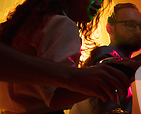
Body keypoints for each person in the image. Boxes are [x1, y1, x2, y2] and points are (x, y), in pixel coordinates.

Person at [0, 43, 129, 102]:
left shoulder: (29, 25)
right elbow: (54, 96)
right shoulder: (62, 22)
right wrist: (74, 77)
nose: (98, 4)